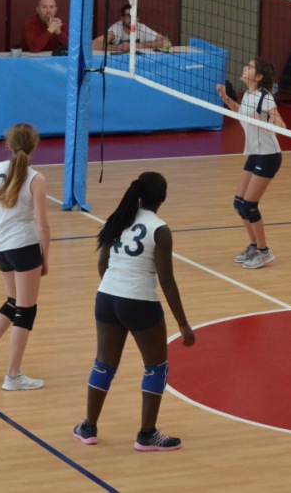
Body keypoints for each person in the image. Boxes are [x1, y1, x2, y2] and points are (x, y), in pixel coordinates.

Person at [72, 172, 195, 451]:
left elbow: (102, 263)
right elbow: (166, 280)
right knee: (156, 368)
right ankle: (147, 434)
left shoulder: (119, 218)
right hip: (139, 301)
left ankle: (88, 427)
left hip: (107, 296)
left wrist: (115, 288)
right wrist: (183, 323)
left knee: (104, 364)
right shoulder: (160, 229)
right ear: (163, 198)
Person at [0, 123, 50, 390]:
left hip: (0, 246)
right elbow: (42, 225)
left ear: (9, 144)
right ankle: (13, 376)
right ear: (35, 145)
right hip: (24, 246)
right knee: (26, 310)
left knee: (13, 302)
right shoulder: (36, 179)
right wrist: (45, 258)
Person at [215, 57, 286, 269]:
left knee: (249, 205)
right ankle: (254, 246)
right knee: (239, 203)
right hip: (254, 154)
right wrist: (225, 98)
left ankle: (264, 251)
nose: (245, 68)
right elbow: (242, 113)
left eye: (250, 67)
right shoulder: (247, 94)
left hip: (269, 156)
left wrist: (267, 126)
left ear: (259, 76)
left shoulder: (265, 98)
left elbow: (281, 124)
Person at [93, 3, 166, 53]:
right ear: (122, 18)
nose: (132, 19)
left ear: (138, 19)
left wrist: (135, 46)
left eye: (134, 16)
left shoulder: (142, 28)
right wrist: (119, 47)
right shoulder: (116, 29)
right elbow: (93, 44)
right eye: (128, 16)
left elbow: (166, 42)